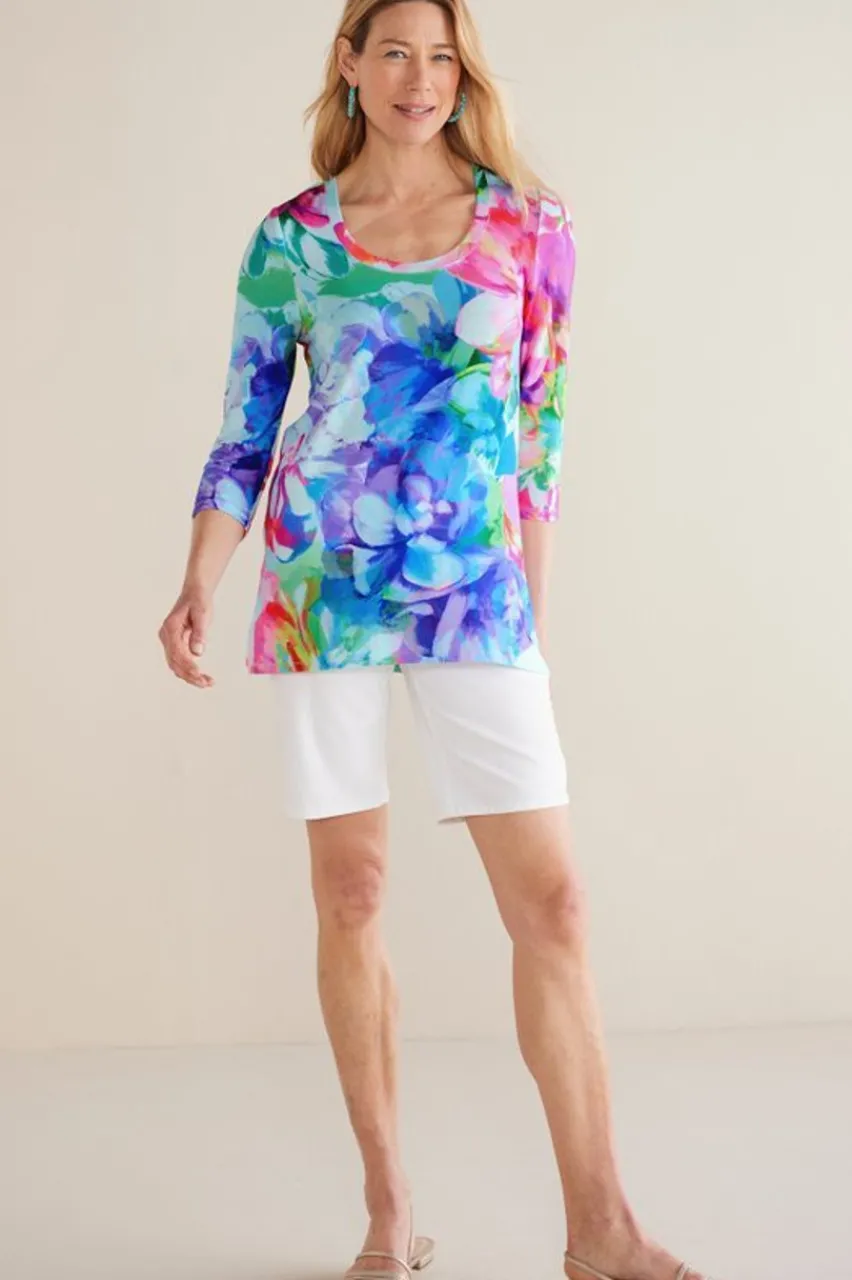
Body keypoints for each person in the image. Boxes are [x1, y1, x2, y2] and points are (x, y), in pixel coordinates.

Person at [158, 3, 718, 1279]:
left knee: (554, 903)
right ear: (351, 64)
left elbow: (540, 435)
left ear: (466, 74)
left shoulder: (530, 224)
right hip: (322, 588)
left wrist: (532, 611)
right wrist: (198, 577)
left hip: (473, 593)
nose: (421, 79)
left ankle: (602, 1229)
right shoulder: (293, 240)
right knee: (352, 892)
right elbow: (246, 430)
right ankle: (388, 1209)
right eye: (397, 52)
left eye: (444, 56)